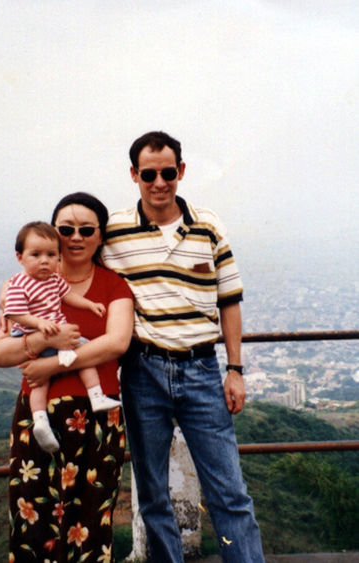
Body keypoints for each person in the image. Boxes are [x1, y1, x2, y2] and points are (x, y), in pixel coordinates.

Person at [100, 131, 264, 562]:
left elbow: (229, 299)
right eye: (149, 173)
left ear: (181, 171)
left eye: (168, 172)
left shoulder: (207, 226)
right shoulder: (114, 231)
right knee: (152, 493)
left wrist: (235, 369)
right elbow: (73, 260)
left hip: (201, 369)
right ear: (134, 175)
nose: (159, 183)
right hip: (142, 370)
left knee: (229, 490)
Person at [0, 193, 134, 563]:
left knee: (90, 520)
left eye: (86, 229)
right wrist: (46, 339)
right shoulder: (18, 287)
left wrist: (49, 365)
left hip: (97, 418)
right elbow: (1, 354)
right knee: (33, 522)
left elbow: (116, 343)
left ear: (100, 236)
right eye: (65, 229)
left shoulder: (113, 286)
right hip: (37, 419)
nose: (75, 237)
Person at [4, 220, 120, 453]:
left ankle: (90, 399)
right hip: (37, 335)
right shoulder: (19, 284)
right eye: (35, 254)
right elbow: (14, 312)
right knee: (46, 378)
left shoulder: (54, 280)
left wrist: (89, 305)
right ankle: (41, 420)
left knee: (79, 358)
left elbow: (68, 297)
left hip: (57, 334)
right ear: (20, 257)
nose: (44, 260)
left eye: (51, 254)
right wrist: (39, 324)